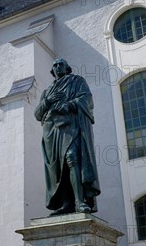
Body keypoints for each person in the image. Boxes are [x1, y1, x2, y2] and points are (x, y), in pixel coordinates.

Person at [34, 59, 101, 215]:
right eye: (55, 65)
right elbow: (38, 114)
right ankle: (66, 204)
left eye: (60, 64)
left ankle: (80, 202)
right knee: (59, 168)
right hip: (51, 131)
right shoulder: (48, 91)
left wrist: (69, 105)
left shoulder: (76, 81)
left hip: (71, 126)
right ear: (52, 70)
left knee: (72, 158)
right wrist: (48, 101)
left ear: (67, 68)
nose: (58, 67)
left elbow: (87, 99)